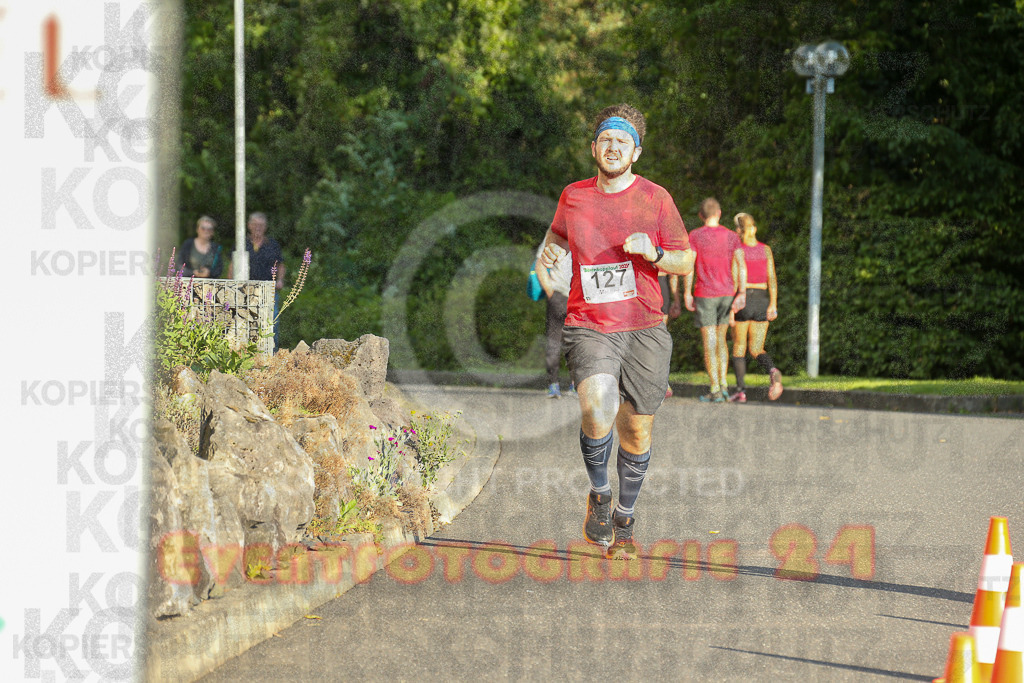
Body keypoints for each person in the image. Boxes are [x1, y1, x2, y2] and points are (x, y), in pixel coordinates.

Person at [539, 104, 694, 560]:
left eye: (621, 142)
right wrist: (550, 256)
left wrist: (655, 252)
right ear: (594, 148)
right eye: (605, 140)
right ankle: (600, 495)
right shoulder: (574, 196)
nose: (612, 148)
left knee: (637, 432)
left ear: (636, 152)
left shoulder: (656, 199)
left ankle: (625, 518)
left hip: (645, 326)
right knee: (597, 407)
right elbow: (556, 239)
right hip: (590, 324)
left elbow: (686, 260)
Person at [678, 198, 746, 403]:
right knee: (722, 340)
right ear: (719, 213)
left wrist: (686, 293)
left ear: (701, 215)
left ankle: (715, 388)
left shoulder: (695, 236)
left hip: (705, 293)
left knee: (709, 342)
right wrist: (741, 292)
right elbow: (741, 264)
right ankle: (724, 385)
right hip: (726, 293)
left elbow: (689, 265)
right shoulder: (732, 236)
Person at [727, 213, 783, 402]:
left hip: (744, 299)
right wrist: (773, 304)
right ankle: (773, 370)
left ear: (738, 231)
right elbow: (772, 279)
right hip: (762, 299)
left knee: (739, 348)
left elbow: (735, 280)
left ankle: (741, 391)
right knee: (757, 348)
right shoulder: (766, 250)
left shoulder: (738, 250)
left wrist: (730, 307)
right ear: (755, 229)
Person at [229, 212, 285, 348]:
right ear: (249, 225)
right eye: (255, 224)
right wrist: (230, 285)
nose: (257, 228)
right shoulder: (241, 243)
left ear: (265, 227)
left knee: (271, 324)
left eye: (261, 225)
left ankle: (271, 356)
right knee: (244, 324)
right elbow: (232, 265)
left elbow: (281, 265)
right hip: (245, 290)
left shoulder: (272, 245)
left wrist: (280, 280)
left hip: (268, 291)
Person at [534, 240, 573, 398]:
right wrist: (551, 292)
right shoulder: (554, 235)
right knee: (554, 340)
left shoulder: (585, 231)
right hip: (559, 295)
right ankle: (553, 384)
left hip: (580, 297)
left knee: (579, 341)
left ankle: (576, 384)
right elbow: (540, 264)